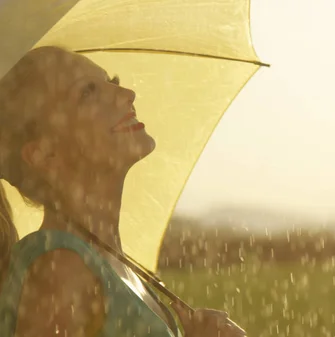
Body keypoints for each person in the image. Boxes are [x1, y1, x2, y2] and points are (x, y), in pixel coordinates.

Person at [0, 46, 242, 337]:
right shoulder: (61, 270)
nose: (126, 93)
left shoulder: (111, 263)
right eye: (88, 92)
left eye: (111, 81)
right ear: (44, 154)